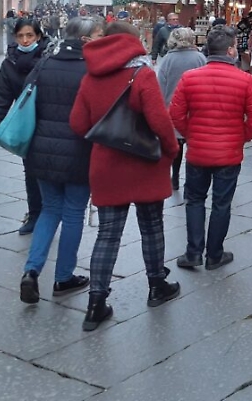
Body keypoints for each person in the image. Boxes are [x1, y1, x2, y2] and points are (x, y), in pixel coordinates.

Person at [69, 21, 181, 331]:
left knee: (108, 235)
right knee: (152, 227)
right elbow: (160, 120)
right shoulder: (141, 73)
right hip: (145, 162)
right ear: (131, 43)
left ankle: (96, 303)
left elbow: (78, 124)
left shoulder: (91, 77)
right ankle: (157, 285)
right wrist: (170, 150)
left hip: (107, 165)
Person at [19, 16, 105, 304]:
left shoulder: (44, 63)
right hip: (78, 152)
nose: (101, 39)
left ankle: (31, 271)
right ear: (84, 40)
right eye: (97, 35)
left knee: (49, 210)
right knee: (72, 214)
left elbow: (26, 100)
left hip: (42, 150)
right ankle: (64, 277)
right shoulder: (92, 70)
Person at [170, 26, 252, 270]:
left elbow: (176, 113)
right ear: (231, 50)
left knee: (194, 200)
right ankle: (214, 254)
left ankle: (193, 253)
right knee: (222, 204)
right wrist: (240, 137)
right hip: (228, 154)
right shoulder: (245, 80)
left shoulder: (190, 78)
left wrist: (192, 134)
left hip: (198, 152)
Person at [0, 18, 51, 234]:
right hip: (25, 125)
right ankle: (35, 213)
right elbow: (1, 97)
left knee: (50, 171)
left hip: (49, 121)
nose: (25, 40)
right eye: (21, 36)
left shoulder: (50, 58)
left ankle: (51, 213)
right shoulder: (9, 63)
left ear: (38, 36)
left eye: (30, 35)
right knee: (30, 171)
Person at [156, 27, 206, 190]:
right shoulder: (200, 58)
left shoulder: (167, 61)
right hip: (197, 109)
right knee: (194, 147)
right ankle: (192, 181)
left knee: (177, 147)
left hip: (173, 108)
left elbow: (160, 87)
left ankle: (175, 176)